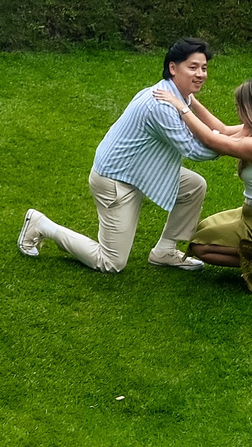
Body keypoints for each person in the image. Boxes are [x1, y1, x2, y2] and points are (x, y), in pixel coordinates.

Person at [19, 38, 232, 273]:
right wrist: (237, 148)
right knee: (111, 262)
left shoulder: (179, 95)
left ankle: (165, 251)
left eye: (204, 68)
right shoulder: (160, 105)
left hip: (142, 169)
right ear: (173, 68)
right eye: (193, 67)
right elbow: (195, 150)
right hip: (115, 180)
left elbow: (216, 129)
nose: (201, 74)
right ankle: (41, 225)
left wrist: (246, 134)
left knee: (193, 186)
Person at [158, 76, 252, 299]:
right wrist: (190, 100)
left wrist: (180, 107)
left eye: (239, 107)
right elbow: (222, 129)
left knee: (200, 247)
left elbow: (212, 140)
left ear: (251, 107)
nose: (236, 111)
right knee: (203, 231)